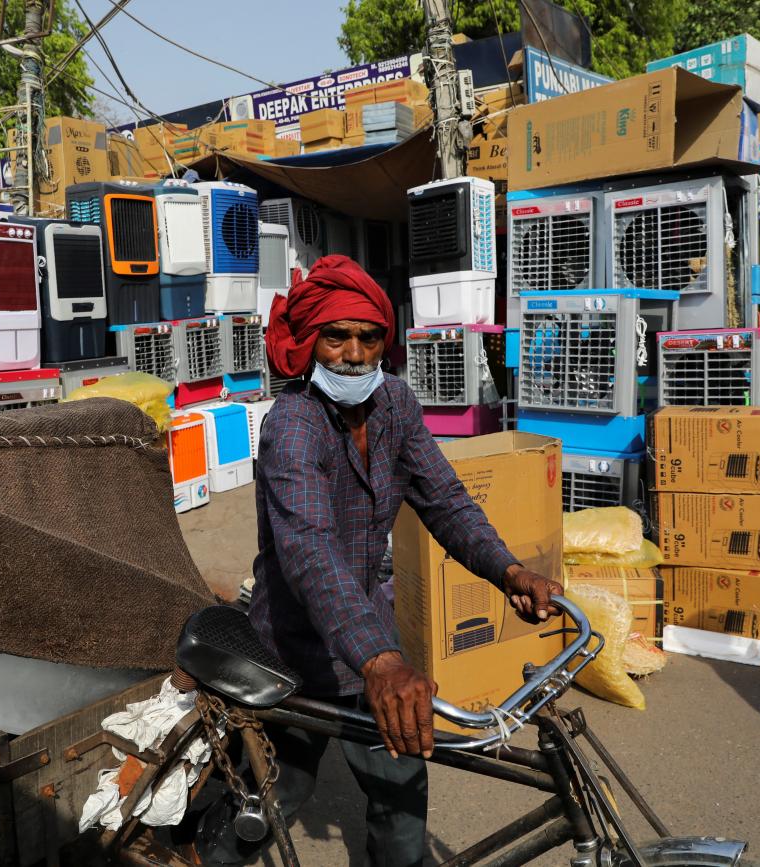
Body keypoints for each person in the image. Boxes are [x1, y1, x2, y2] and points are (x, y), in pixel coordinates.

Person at [194, 256, 562, 866]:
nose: (354, 354)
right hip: (294, 651)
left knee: (402, 799)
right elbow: (310, 549)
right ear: (311, 344)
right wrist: (383, 661)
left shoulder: (395, 404)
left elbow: (444, 499)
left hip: (369, 638)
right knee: (272, 798)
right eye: (336, 337)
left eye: (368, 338)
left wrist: (508, 570)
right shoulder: (294, 424)